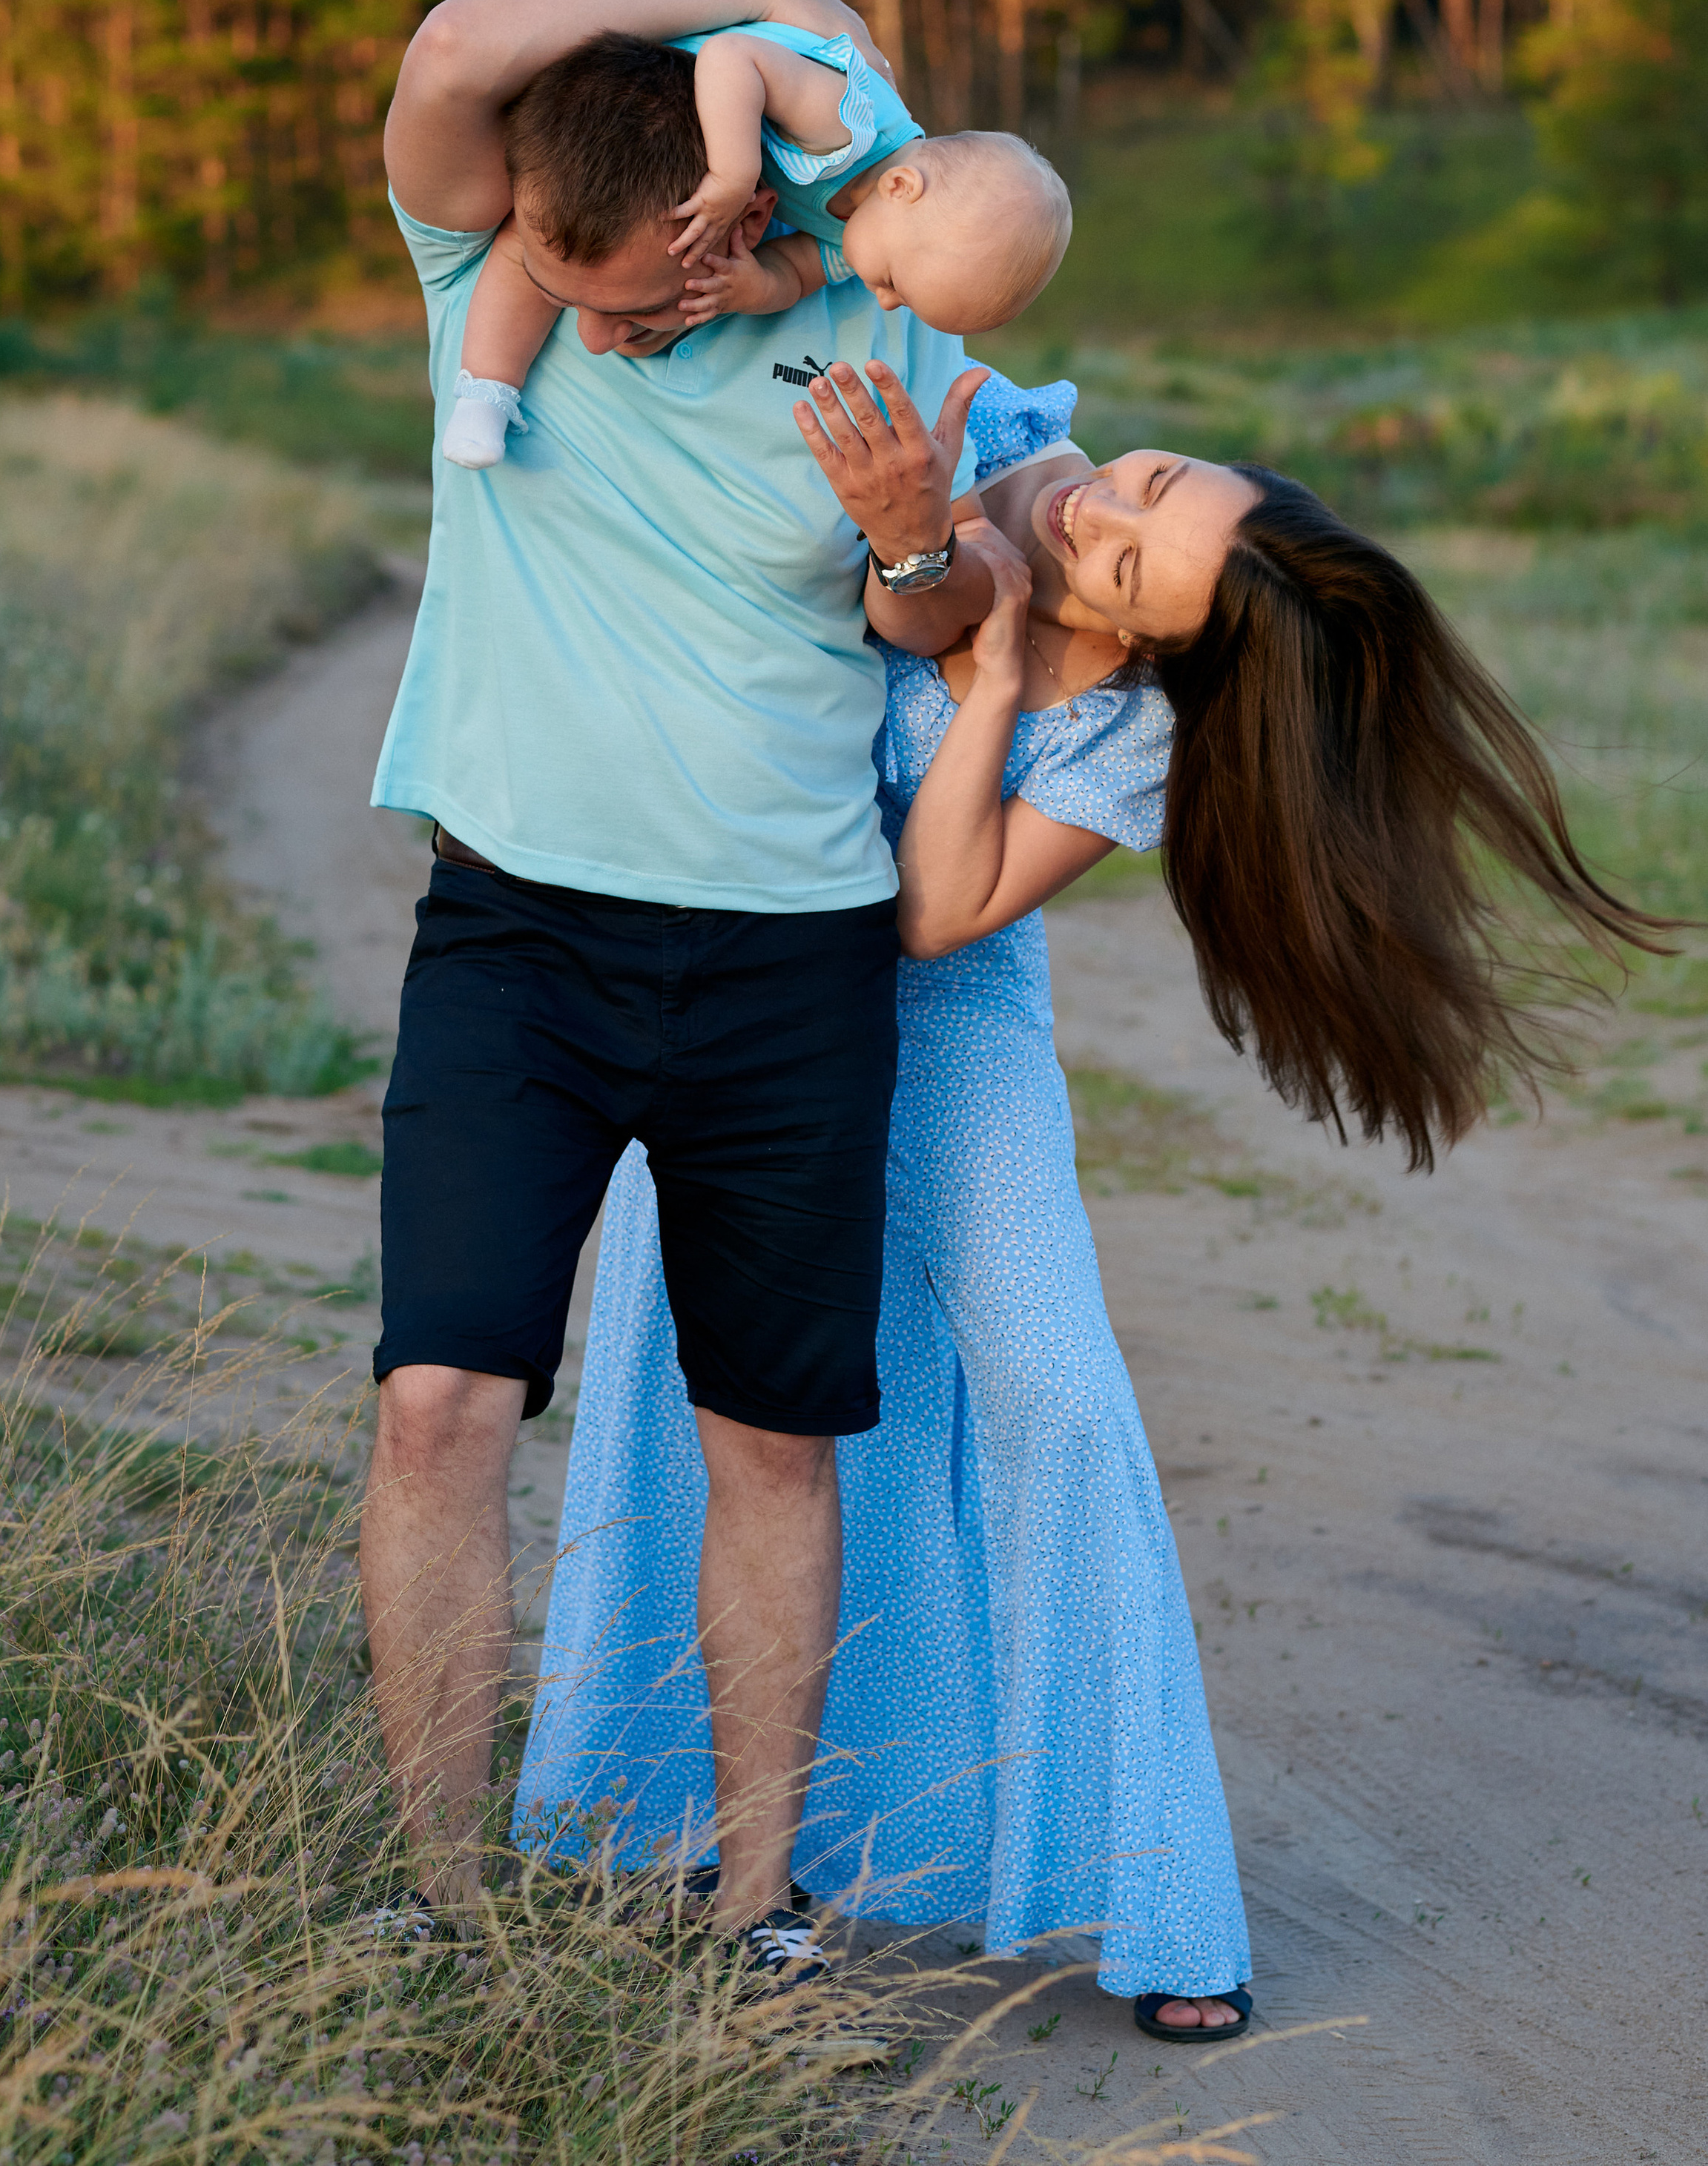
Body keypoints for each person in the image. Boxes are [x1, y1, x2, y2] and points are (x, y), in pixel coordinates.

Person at [516, 370, 1668, 2040]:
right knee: (691, 1399)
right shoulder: (994, 446)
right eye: (1149, 478)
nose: (1094, 516)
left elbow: (934, 915)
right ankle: (710, 1823)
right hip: (740, 1012)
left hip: (946, 1061)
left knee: (1053, 1401)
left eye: (1128, 565)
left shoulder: (1117, 727)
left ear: (1144, 647)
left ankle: (1155, 1893)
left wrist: (986, 685)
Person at [360, 0, 1007, 2014]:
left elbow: (953, 615)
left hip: (787, 962)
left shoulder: (872, 299)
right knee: (441, 1402)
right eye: (597, 290)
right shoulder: (502, 254)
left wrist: (916, 546)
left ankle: (758, 1907)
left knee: (773, 1439)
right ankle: (436, 1902)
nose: (616, 327)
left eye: (655, 290)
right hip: (515, 936)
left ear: (742, 227)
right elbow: (461, 44)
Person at [440, 14, 1069, 467]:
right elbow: (729, 58)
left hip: (670, 157)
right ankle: (485, 389)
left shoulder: (866, 237)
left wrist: (748, 287)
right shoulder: (845, 123)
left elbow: (794, 273)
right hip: (647, 100)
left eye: (897, 301)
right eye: (896, 285)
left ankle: (489, 394)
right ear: (903, 186)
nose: (881, 300)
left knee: (581, 267)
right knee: (542, 250)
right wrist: (733, 174)